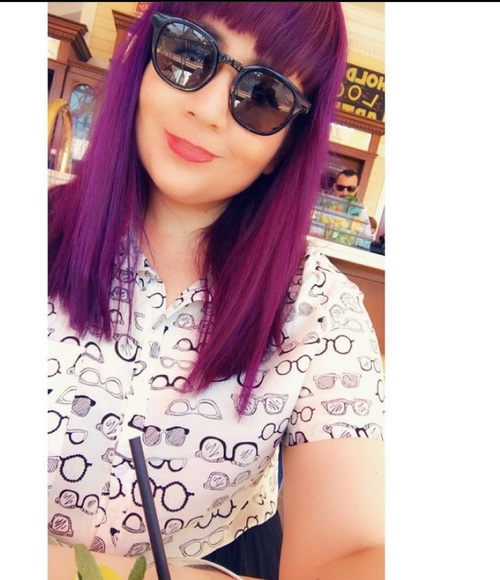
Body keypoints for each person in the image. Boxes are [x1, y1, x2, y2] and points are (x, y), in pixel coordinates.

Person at [48, 3, 384, 580]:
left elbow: (349, 549)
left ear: (287, 145)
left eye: (264, 95)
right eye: (189, 51)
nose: (206, 111)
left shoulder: (320, 308)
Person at [331, 169, 374, 237]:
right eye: (340, 187)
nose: (345, 192)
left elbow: (366, 238)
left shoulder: (361, 214)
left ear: (356, 189)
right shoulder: (322, 206)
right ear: (334, 187)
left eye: (350, 188)